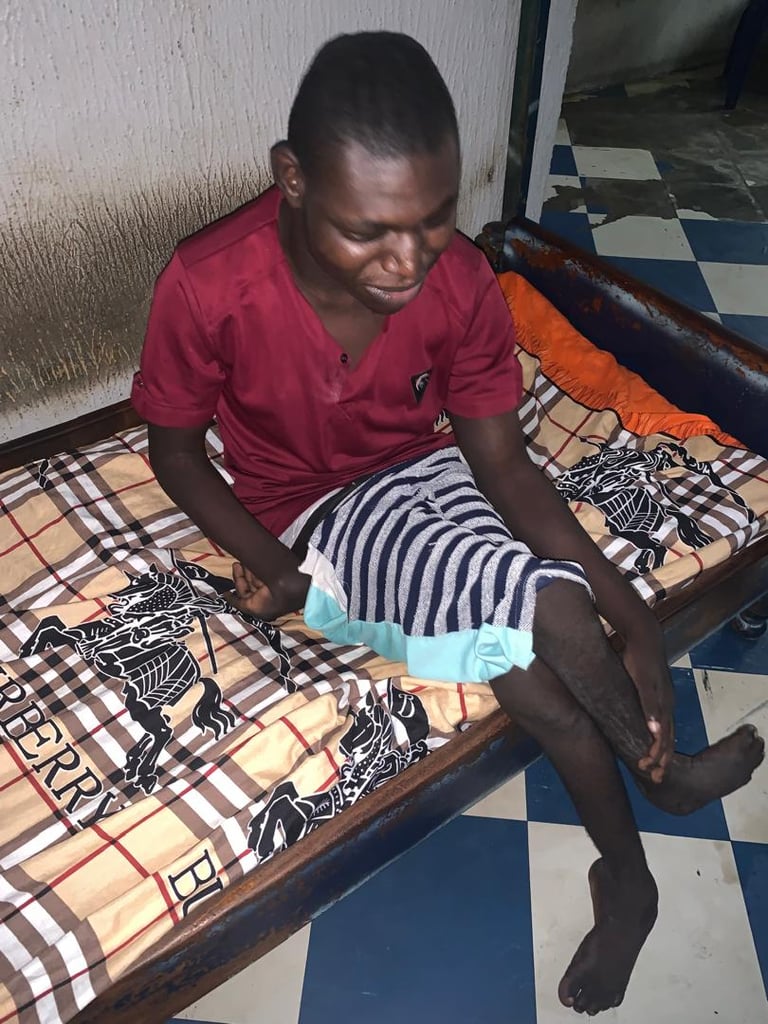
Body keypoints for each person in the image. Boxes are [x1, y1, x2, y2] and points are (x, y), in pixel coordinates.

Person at [131, 31, 764, 1016]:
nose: (408, 261)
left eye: (433, 221)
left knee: (534, 666)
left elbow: (502, 464)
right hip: (314, 513)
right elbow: (174, 453)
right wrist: (276, 567)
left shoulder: (459, 279)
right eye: (371, 231)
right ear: (292, 179)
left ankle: (636, 861)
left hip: (429, 469)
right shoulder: (210, 282)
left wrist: (634, 614)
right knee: (542, 612)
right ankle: (661, 792)